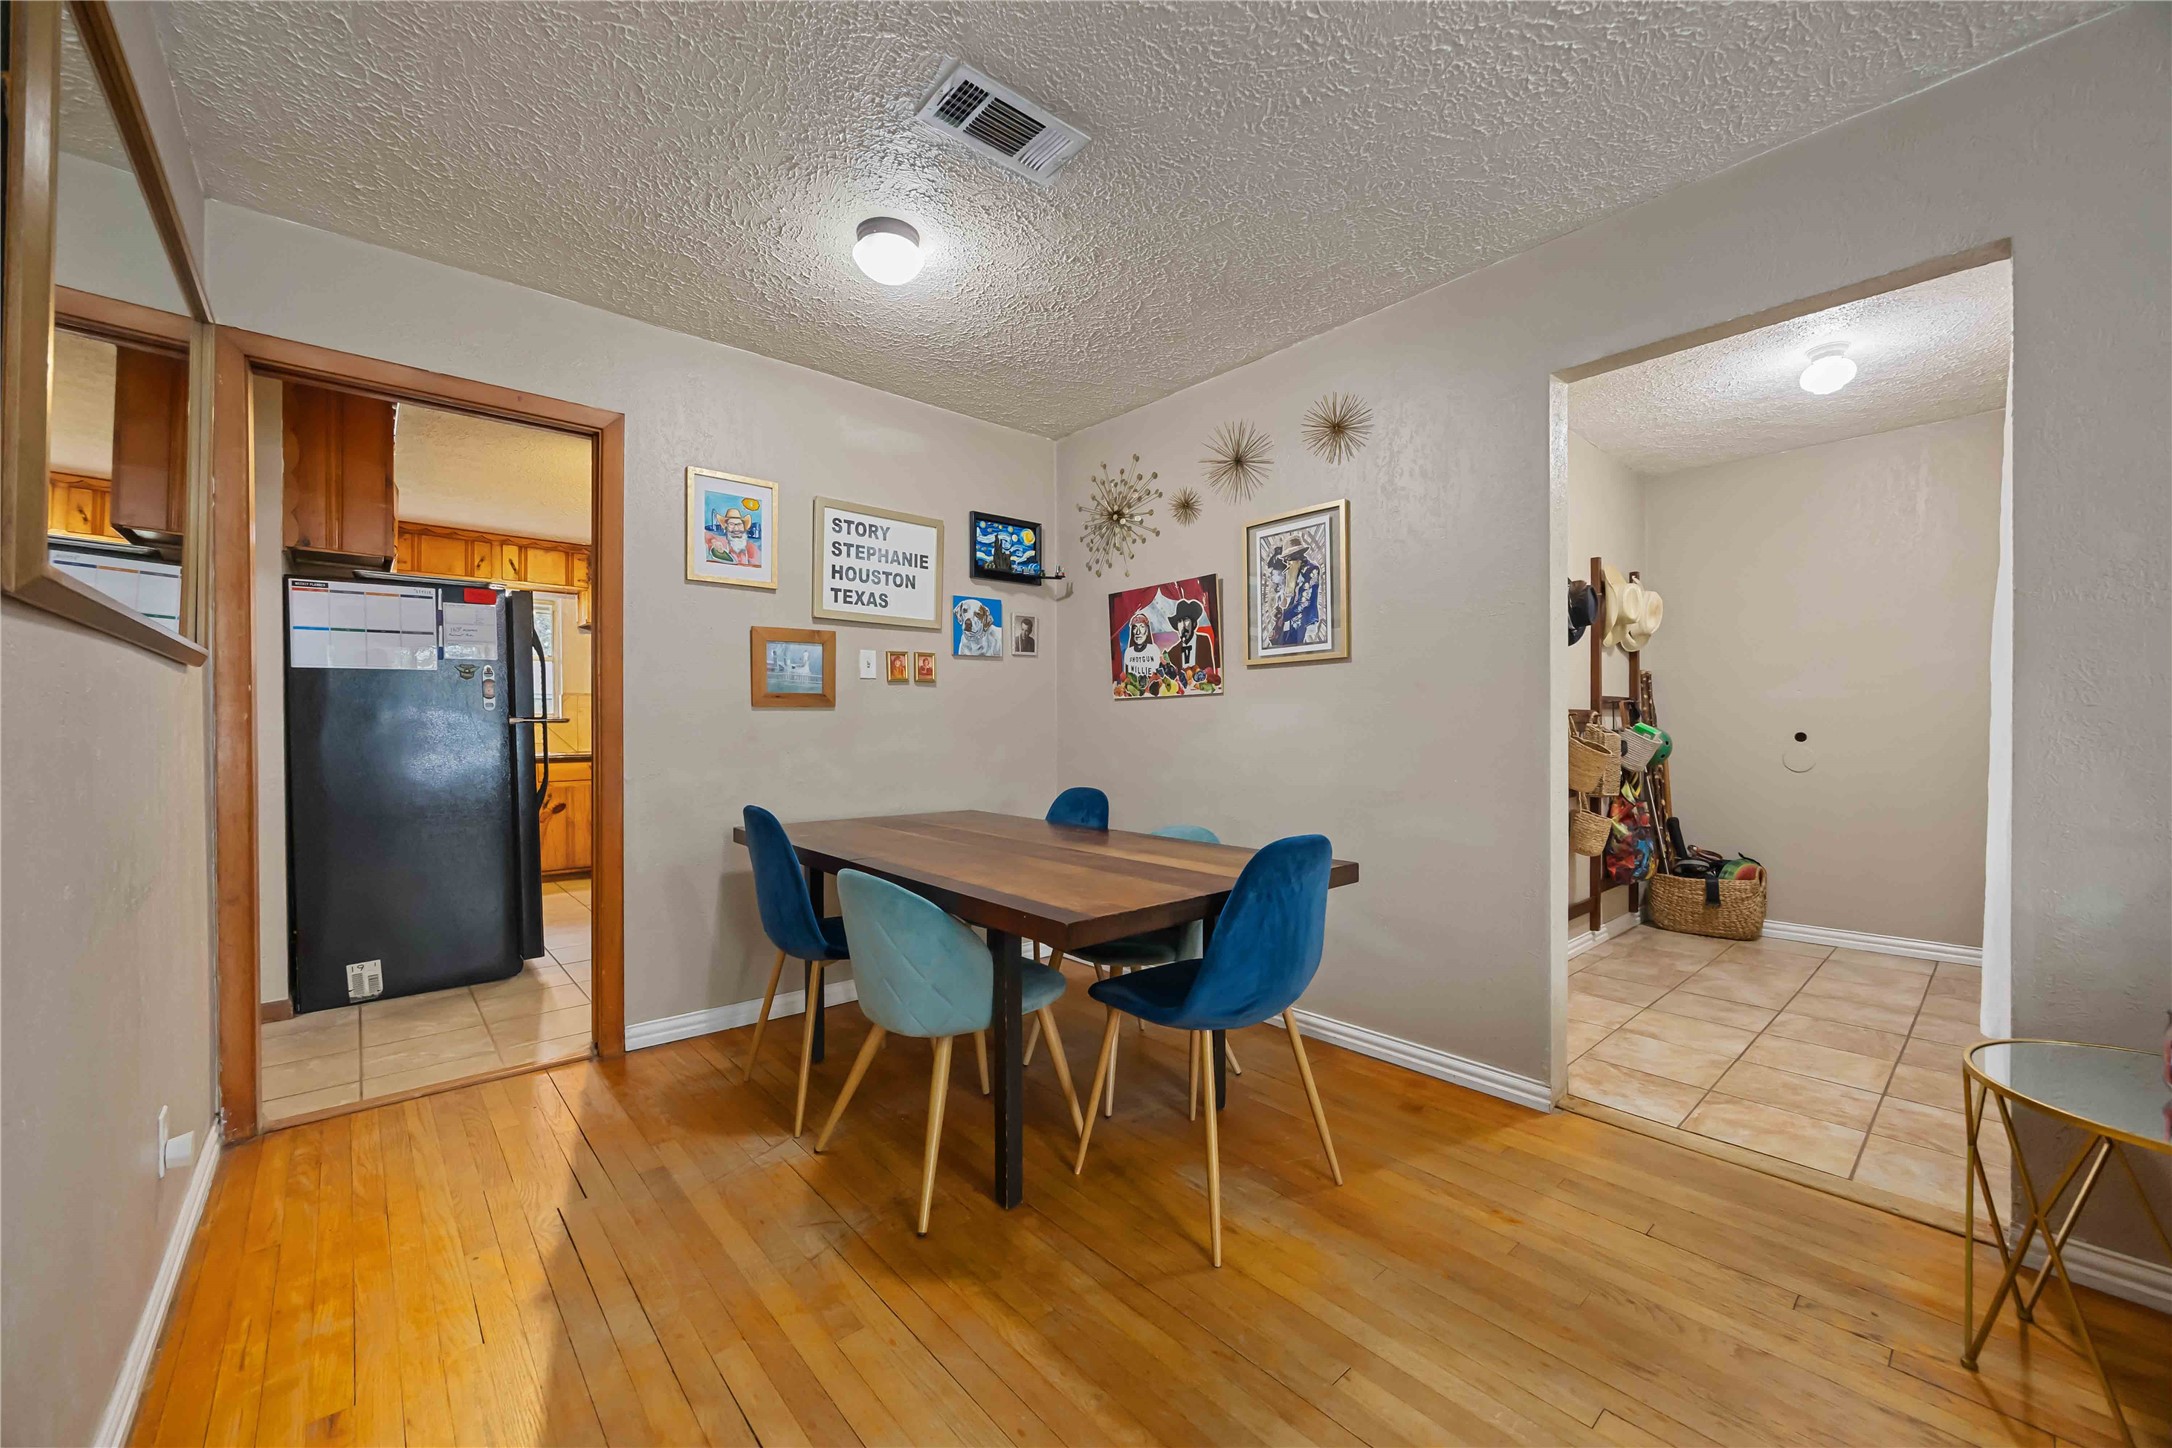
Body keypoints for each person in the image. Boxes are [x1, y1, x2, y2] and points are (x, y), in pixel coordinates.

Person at [1120, 612, 1161, 692]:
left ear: (1147, 630)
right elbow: (1126, 677)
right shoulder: (1128, 652)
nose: (1138, 632)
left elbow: (1158, 675)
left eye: (1142, 627)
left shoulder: (1154, 650)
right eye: (1135, 628)